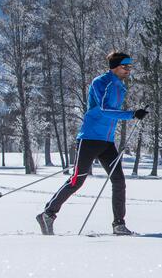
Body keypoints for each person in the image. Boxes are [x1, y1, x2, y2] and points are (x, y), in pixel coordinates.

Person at [36, 52, 149, 235]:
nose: (129, 70)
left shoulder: (120, 87)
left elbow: (113, 112)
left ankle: (119, 225)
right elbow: (104, 110)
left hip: (107, 142)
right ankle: (47, 214)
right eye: (125, 67)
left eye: (130, 67)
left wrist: (135, 114)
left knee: (119, 180)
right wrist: (131, 114)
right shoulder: (101, 82)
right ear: (115, 66)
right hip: (89, 139)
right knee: (76, 181)